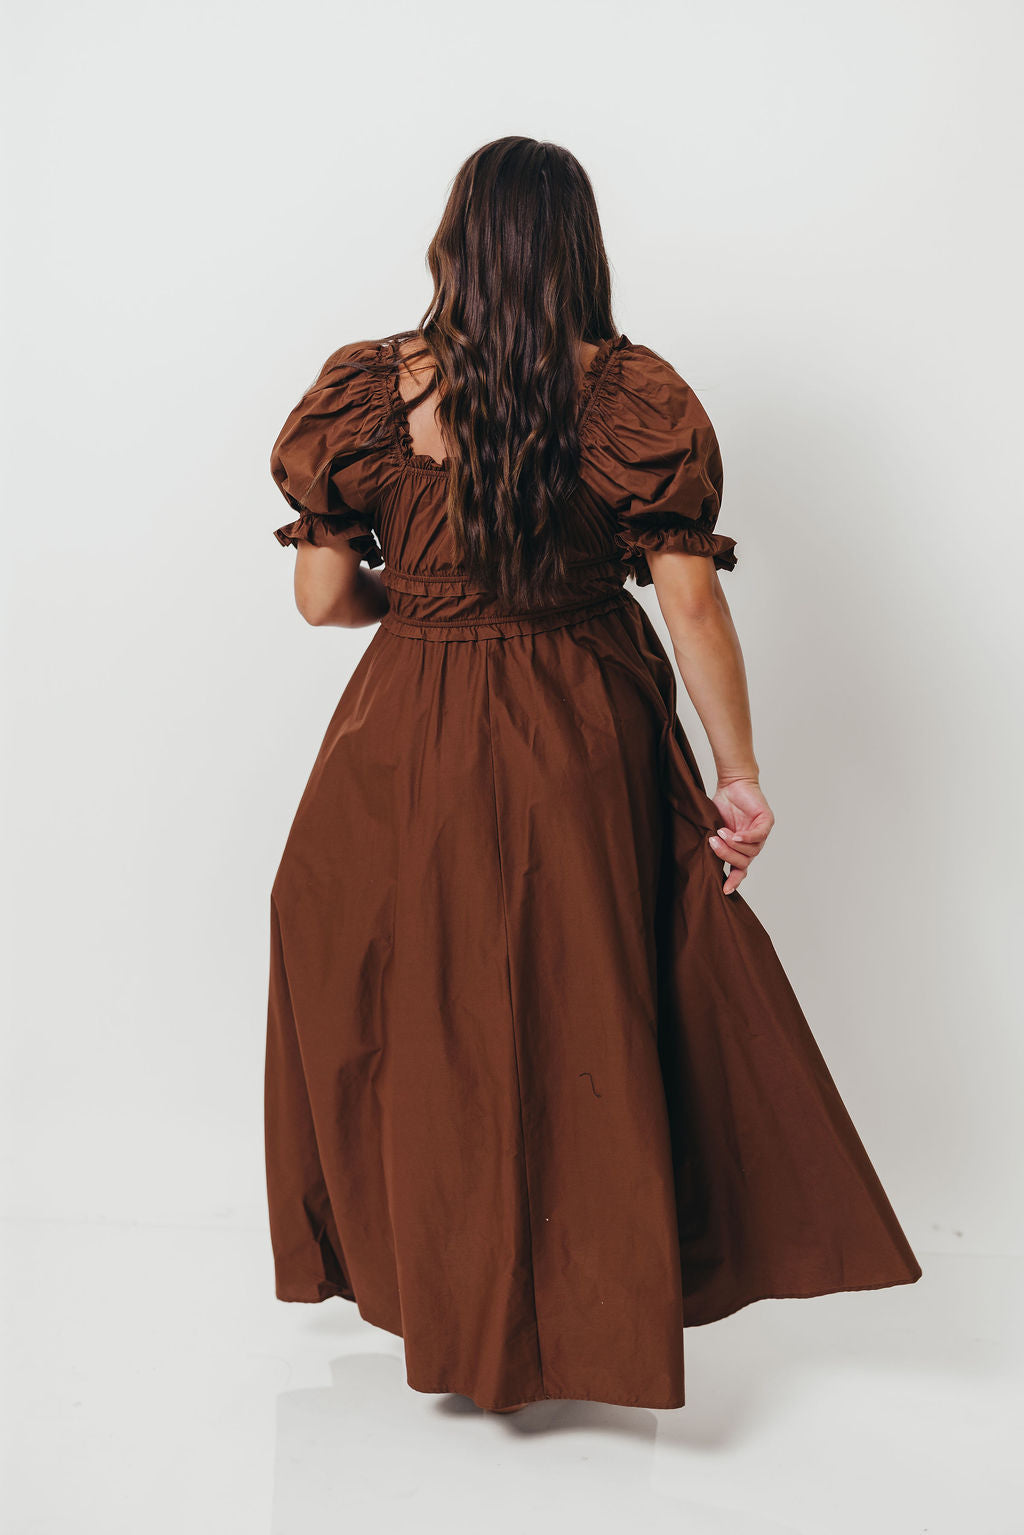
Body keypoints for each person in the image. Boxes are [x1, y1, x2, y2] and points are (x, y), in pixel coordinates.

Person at [263, 135, 921, 1415]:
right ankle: (582, 1316)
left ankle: (450, 1309)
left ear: (454, 242)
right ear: (576, 247)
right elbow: (692, 606)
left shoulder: (364, 391)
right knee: (582, 1000)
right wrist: (738, 772)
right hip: (578, 721)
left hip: (404, 732)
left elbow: (323, 599)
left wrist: (428, 599)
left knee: (424, 1010)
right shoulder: (630, 397)